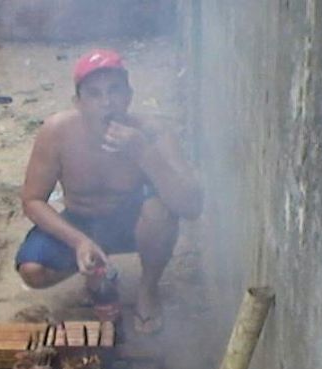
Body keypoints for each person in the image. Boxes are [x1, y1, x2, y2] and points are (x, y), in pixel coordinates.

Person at [16, 49, 202, 334]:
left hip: (130, 222)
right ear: (78, 102)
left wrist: (143, 153)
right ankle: (94, 274)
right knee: (32, 271)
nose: (107, 103)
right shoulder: (57, 132)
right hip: (79, 220)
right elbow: (32, 200)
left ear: (129, 95)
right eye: (94, 94)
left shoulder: (151, 131)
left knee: (159, 211)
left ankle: (148, 290)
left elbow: (191, 205)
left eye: (115, 91)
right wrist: (78, 241)